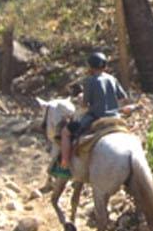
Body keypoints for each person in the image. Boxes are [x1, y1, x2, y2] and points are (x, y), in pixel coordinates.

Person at [50, 51, 128, 179]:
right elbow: (122, 97)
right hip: (115, 117)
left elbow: (85, 105)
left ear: (90, 67)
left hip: (95, 117)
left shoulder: (89, 81)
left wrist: (82, 100)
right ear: (105, 66)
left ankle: (64, 163)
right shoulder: (112, 79)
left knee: (66, 132)